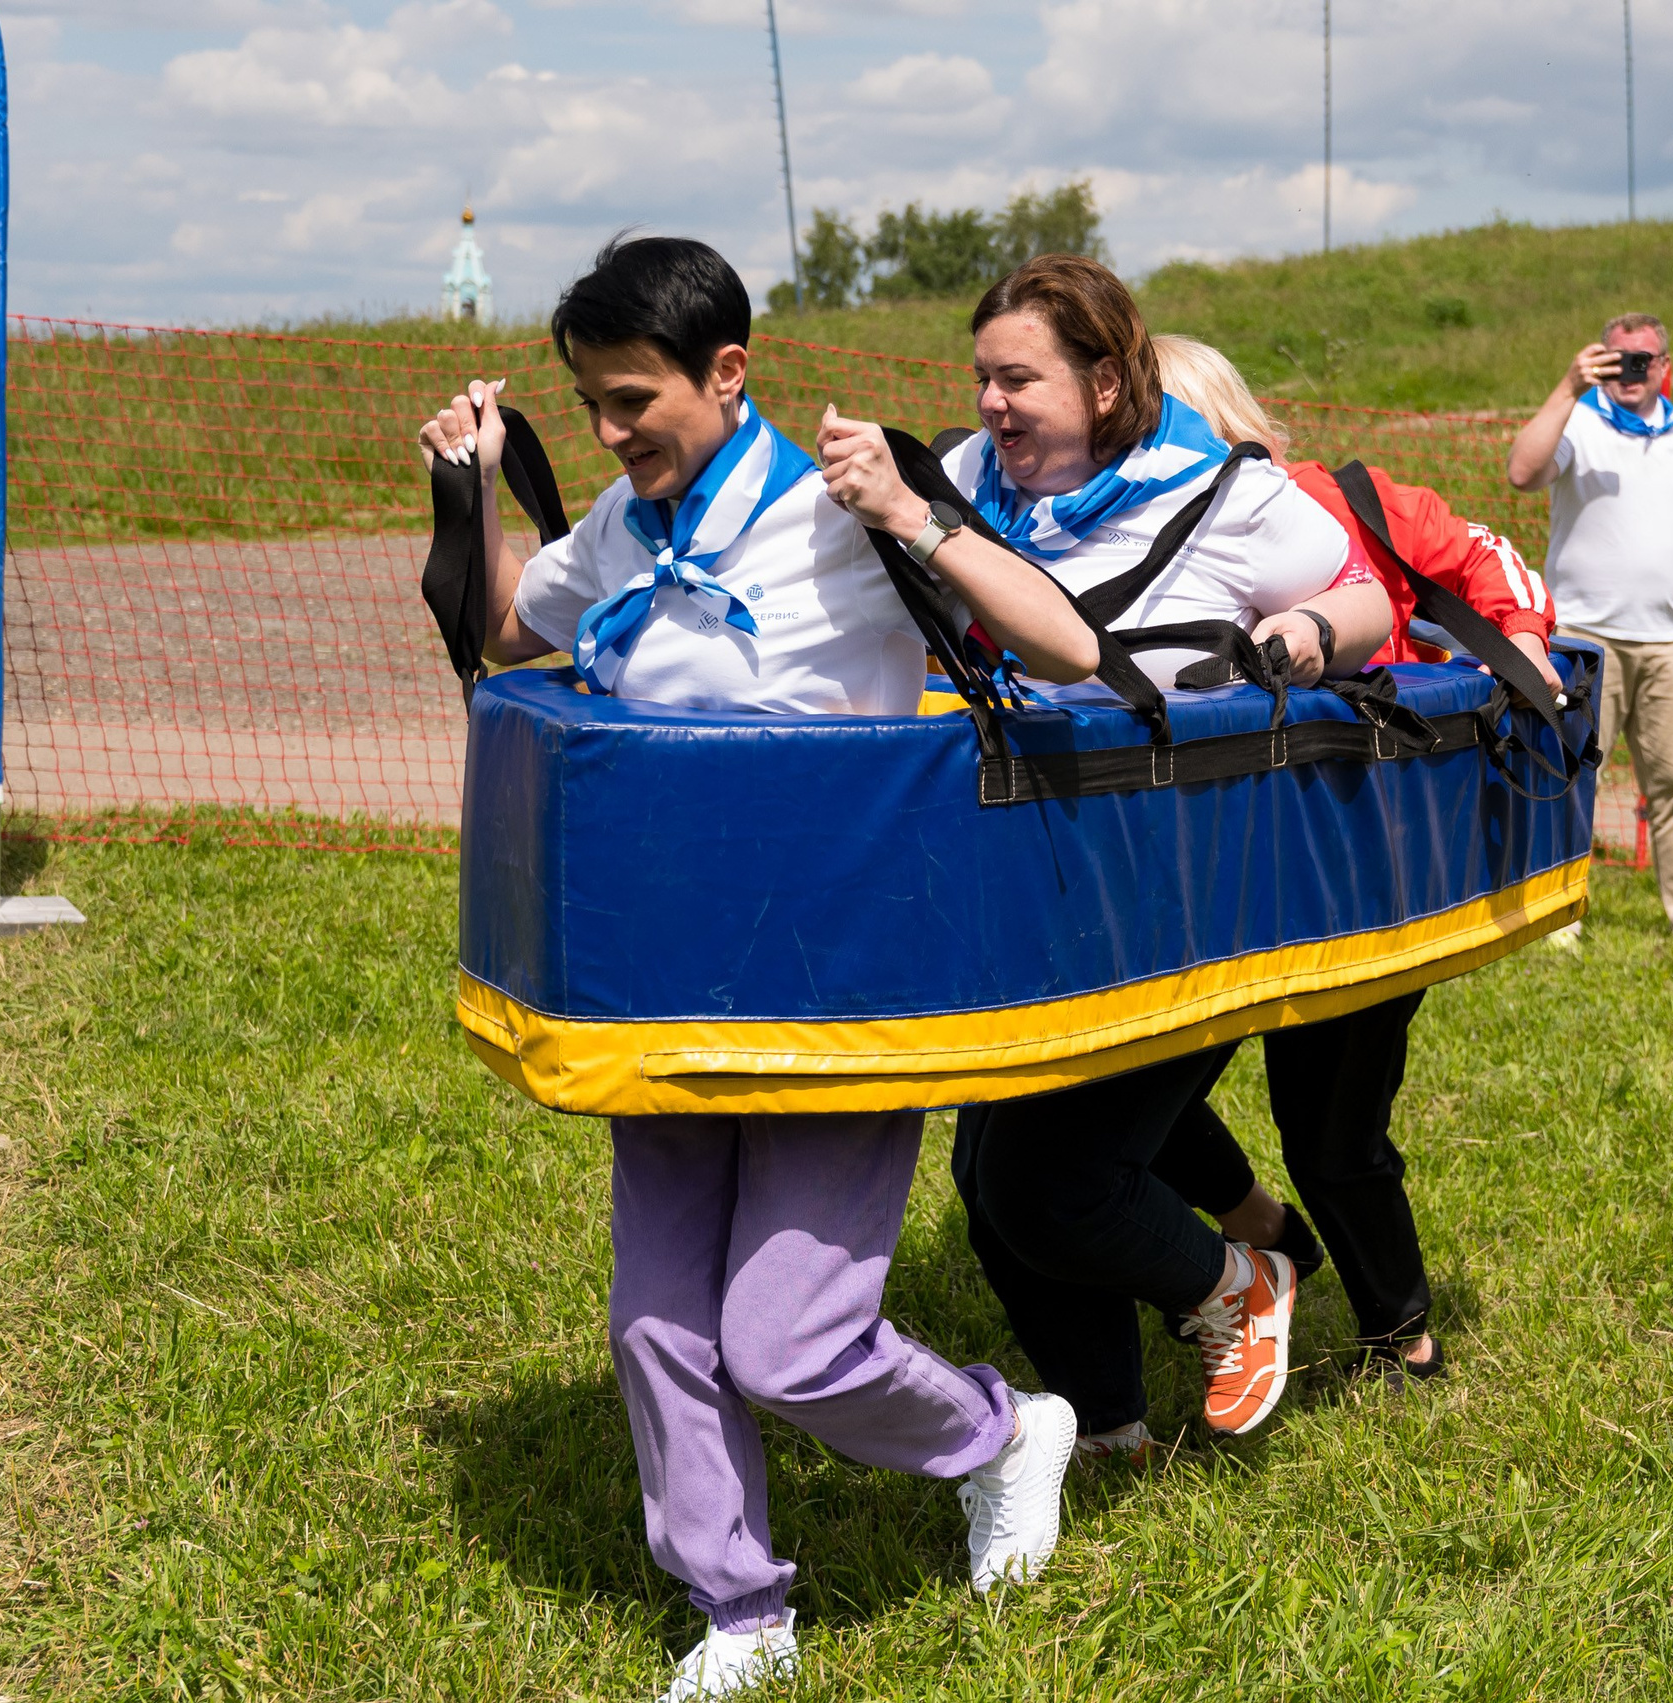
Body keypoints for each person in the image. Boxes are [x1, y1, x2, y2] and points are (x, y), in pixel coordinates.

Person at [419, 235, 1098, 1702]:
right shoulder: (618, 520)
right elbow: (499, 627)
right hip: (661, 978)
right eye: (589, 404)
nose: (609, 433)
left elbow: (1066, 647)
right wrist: (471, 477)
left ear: (729, 373)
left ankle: (996, 1430)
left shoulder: (838, 510)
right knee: (660, 1321)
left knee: (787, 1339)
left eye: (631, 400)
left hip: (839, 985)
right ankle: (742, 1608)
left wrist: (914, 515)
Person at [816, 256, 1396, 1457]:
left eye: (1017, 378)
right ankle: (1113, 1426)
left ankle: (1238, 1282)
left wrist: (1297, 635)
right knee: (991, 1185)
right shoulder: (971, 478)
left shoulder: (1227, 491)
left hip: (1188, 884)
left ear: (1108, 377)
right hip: (1023, 877)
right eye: (980, 377)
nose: (990, 405)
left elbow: (1369, 604)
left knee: (1049, 1180)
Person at [1060, 335, 1562, 1453]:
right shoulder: (1109, 532)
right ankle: (1258, 1239)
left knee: (1331, 1127)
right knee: (1122, 1085)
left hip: (1352, 878)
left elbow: (1497, 573)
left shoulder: (1344, 504)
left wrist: (1514, 662)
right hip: (1197, 884)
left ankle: (1402, 1333)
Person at [1505, 311, 1673, 954]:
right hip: (1583, 638)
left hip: (1670, 643)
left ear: (1665, 367)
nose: (1631, 371)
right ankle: (1555, 918)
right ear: (1599, 360)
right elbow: (1521, 472)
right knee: (1567, 777)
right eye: (1617, 358)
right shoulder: (1578, 421)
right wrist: (1568, 387)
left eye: (1644, 359)